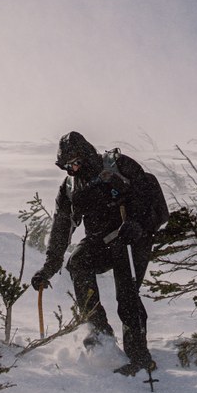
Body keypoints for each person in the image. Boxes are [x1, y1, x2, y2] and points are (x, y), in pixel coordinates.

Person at [30, 131, 171, 375]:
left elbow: (153, 203)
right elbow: (62, 229)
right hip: (101, 240)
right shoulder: (70, 188)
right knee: (77, 262)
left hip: (132, 239)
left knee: (127, 295)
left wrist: (138, 225)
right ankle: (99, 333)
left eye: (73, 163)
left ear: (85, 156)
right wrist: (49, 268)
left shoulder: (120, 166)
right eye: (65, 166)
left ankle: (139, 359)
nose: (70, 170)